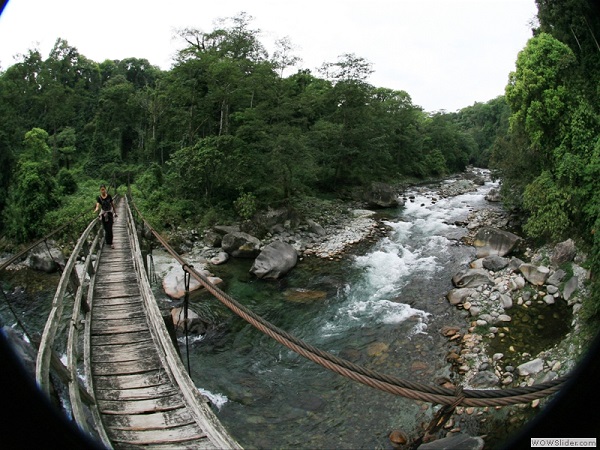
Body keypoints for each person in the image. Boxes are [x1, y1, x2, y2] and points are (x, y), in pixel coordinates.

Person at [94, 184, 117, 249]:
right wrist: (96, 209)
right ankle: (108, 241)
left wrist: (115, 212)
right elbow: (97, 205)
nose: (103, 191)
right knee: (106, 229)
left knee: (110, 228)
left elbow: (112, 204)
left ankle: (111, 242)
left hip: (109, 214)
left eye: (104, 189)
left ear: (105, 189)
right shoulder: (99, 198)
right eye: (101, 190)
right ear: (100, 190)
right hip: (103, 215)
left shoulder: (109, 196)